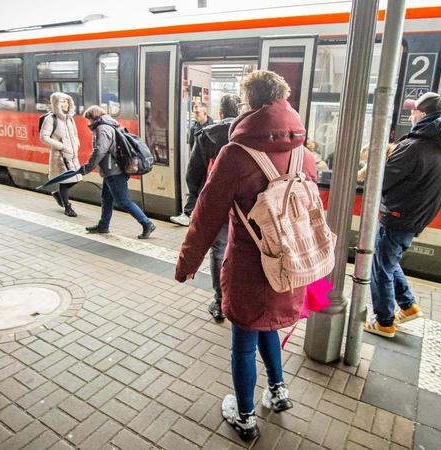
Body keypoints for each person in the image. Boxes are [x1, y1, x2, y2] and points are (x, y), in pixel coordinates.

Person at [175, 70, 317, 442]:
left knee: (244, 337)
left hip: (249, 266)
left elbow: (206, 216)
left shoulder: (235, 154)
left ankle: (245, 415)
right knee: (267, 323)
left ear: (249, 104)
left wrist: (186, 265)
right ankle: (278, 390)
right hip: (290, 263)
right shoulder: (305, 152)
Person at [365, 92, 441, 338]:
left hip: (399, 214)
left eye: (413, 111)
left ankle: (385, 321)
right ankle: (408, 306)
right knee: (388, 260)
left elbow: (380, 181)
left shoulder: (414, 145)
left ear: (422, 114)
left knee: (380, 269)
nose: (410, 115)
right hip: (418, 216)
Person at [181, 94, 241, 321]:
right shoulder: (249, 133)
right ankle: (238, 298)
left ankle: (219, 301)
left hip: (216, 203)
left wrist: (195, 199)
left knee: (219, 250)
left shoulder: (208, 134)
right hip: (245, 205)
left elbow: (193, 174)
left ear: (221, 113)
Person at [80, 105, 157, 239]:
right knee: (107, 198)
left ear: (93, 118)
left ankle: (147, 223)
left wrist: (87, 167)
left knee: (123, 201)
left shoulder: (102, 128)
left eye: (88, 120)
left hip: (114, 171)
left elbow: (99, 151)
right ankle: (103, 226)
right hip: (114, 169)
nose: (88, 123)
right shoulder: (111, 124)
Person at [172, 103, 215, 226]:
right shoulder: (194, 128)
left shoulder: (212, 128)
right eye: (194, 113)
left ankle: (189, 214)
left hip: (207, 164)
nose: (195, 115)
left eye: (197, 113)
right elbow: (192, 145)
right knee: (195, 190)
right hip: (198, 163)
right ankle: (188, 214)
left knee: (199, 190)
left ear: (205, 113)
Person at [41, 92, 82, 217]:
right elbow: (44, 137)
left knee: (78, 178)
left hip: (72, 154)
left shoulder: (70, 118)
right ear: (56, 104)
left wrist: (77, 144)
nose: (65, 104)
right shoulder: (50, 119)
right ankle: (67, 207)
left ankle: (58, 194)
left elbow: (74, 134)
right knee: (65, 181)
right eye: (62, 102)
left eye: (67, 102)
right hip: (59, 156)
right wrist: (61, 146)